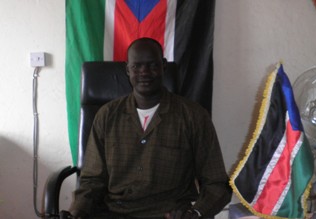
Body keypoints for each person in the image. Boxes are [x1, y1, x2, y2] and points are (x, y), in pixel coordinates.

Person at [69, 37, 232, 219]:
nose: (144, 72)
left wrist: (196, 213)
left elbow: (217, 183)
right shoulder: (107, 115)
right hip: (114, 212)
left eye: (152, 65)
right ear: (127, 69)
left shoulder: (193, 116)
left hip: (169, 214)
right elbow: (92, 180)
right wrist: (77, 212)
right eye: (137, 66)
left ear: (163, 66)